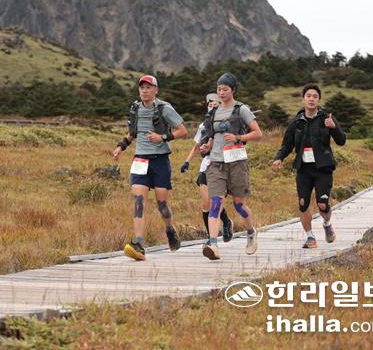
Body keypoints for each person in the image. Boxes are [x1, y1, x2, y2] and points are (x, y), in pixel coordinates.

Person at [113, 75, 188, 261]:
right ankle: (139, 245)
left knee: (162, 205)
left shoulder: (164, 108)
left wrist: (163, 137)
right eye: (142, 88)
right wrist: (120, 147)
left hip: (160, 161)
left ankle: (169, 229)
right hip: (140, 160)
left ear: (156, 90)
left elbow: (183, 131)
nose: (144, 91)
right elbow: (132, 133)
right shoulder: (135, 108)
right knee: (139, 201)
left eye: (148, 87)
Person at [271, 84, 346, 249]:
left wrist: (333, 127)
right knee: (303, 203)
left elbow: (341, 141)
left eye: (315, 96)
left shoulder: (327, 118)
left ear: (319, 100)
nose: (311, 99)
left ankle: (327, 224)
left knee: (322, 205)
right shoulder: (296, 122)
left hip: (323, 168)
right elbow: (287, 145)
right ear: (303, 99)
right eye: (308, 96)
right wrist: (278, 158)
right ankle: (310, 237)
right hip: (303, 169)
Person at [199, 73, 263, 260]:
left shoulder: (241, 109)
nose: (221, 92)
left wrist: (238, 137)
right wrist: (207, 146)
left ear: (233, 90)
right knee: (216, 203)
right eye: (219, 89)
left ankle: (250, 231)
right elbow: (212, 136)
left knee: (239, 204)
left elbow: (258, 133)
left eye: (225, 89)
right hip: (216, 163)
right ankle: (213, 244)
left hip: (236, 162)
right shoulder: (213, 112)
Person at [180, 93, 233, 242]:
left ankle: (226, 222)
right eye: (210, 105)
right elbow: (196, 146)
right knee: (206, 203)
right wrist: (187, 162)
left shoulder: (226, 123)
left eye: (215, 105)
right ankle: (211, 237)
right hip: (206, 165)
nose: (212, 107)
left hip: (222, 164)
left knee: (216, 202)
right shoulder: (203, 126)